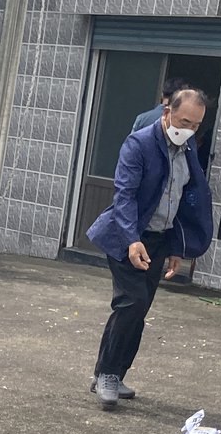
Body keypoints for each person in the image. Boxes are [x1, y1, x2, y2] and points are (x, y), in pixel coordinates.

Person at [85, 87, 213, 410]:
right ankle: (108, 375)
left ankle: (110, 371)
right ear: (167, 111)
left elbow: (183, 203)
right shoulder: (139, 144)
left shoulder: (188, 152)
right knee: (131, 302)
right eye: (184, 121)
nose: (189, 130)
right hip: (127, 235)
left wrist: (177, 247)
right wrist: (132, 239)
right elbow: (124, 196)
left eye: (196, 126)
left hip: (158, 239)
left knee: (139, 309)